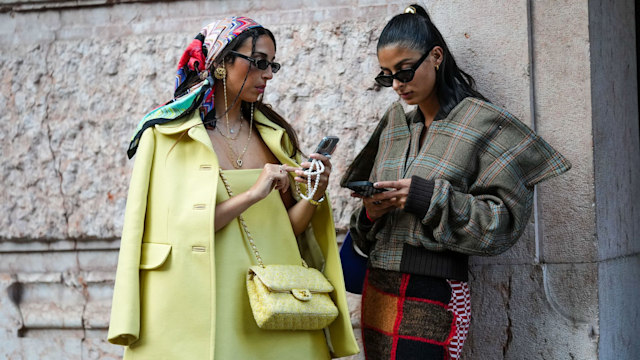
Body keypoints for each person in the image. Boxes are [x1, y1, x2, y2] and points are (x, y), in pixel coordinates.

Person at [107, 16, 358, 359]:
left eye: (272, 65)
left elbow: (287, 230)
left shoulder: (275, 135)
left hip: (276, 305)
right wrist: (254, 193)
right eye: (259, 63)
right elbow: (178, 231)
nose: (268, 74)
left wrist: (315, 191)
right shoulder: (166, 135)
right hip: (206, 307)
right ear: (223, 63)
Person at [341, 5, 571, 359]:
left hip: (435, 295)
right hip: (377, 290)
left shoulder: (482, 123)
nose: (398, 85)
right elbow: (362, 230)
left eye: (404, 71)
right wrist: (371, 211)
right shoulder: (393, 126)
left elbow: (501, 224)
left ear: (436, 56)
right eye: (388, 76)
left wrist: (424, 196)